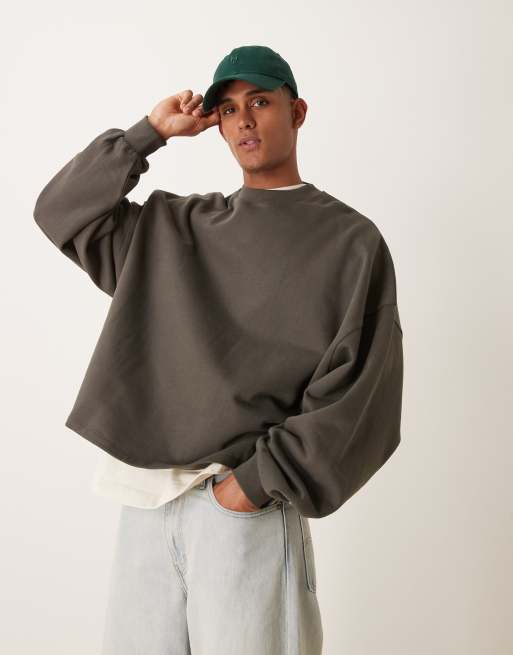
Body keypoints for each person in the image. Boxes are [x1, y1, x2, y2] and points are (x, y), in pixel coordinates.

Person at [33, 45, 404, 654]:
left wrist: (251, 486)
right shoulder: (175, 230)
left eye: (260, 102)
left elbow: (361, 393)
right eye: (229, 110)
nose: (244, 120)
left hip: (245, 515)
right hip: (147, 506)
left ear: (297, 111)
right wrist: (150, 133)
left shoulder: (349, 242)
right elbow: (59, 211)